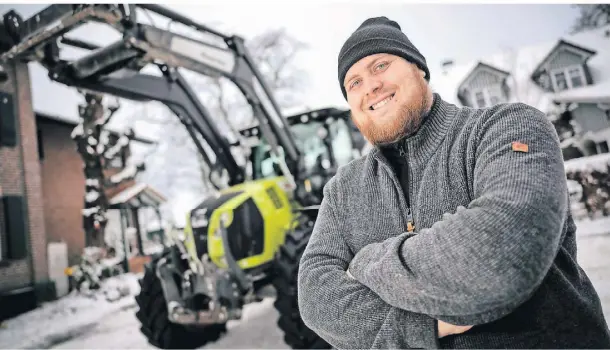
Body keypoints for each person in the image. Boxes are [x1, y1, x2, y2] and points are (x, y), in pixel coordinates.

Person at [297, 16, 610, 349]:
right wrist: (423, 326)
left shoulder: (507, 128)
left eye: (380, 66)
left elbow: (502, 255)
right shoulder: (344, 189)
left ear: (420, 70)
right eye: (353, 83)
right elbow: (315, 297)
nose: (369, 87)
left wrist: (366, 263)